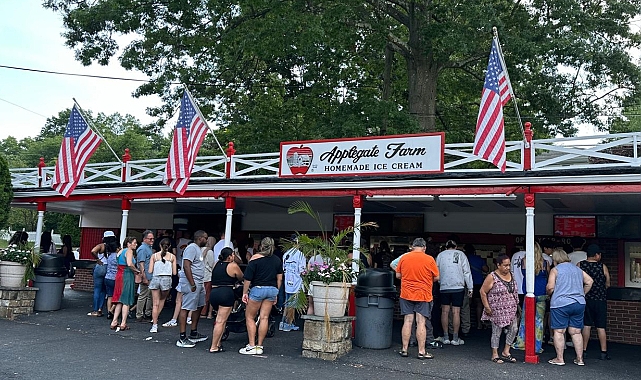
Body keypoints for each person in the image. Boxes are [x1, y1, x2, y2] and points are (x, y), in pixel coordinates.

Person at [546, 249, 593, 366]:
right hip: (579, 303)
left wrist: (551, 293)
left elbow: (550, 287)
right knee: (576, 332)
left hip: (561, 303)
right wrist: (582, 293)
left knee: (559, 331)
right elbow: (590, 281)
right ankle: (580, 359)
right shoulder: (577, 269)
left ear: (555, 259)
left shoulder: (555, 270)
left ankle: (560, 359)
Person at [395, 238, 440, 359]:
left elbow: (398, 275)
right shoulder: (429, 259)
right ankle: (421, 351)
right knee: (421, 322)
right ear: (424, 247)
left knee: (407, 321)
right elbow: (436, 277)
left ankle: (404, 349)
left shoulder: (404, 257)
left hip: (406, 294)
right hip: (423, 294)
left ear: (413, 246)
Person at [239, 237, 283, 355]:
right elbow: (279, 278)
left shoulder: (255, 258)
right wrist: (276, 292)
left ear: (261, 246)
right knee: (264, 318)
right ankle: (259, 346)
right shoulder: (277, 260)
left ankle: (252, 345)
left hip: (258, 289)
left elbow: (248, 278)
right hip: (272, 290)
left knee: (250, 317)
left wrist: (244, 292)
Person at [480, 255, 519, 364]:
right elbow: (483, 291)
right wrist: (487, 307)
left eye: (509, 265)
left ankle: (506, 351)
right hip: (497, 309)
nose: (507, 267)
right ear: (498, 265)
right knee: (497, 331)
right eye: (505, 265)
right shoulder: (492, 276)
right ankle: (495, 354)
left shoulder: (512, 275)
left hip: (511, 308)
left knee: (514, 329)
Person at [512, 242, 549, 354]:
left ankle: (522, 342)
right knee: (539, 321)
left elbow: (524, 274)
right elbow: (548, 276)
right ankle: (537, 346)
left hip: (529, 292)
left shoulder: (525, 261)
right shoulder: (545, 262)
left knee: (525, 319)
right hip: (541, 293)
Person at [436, 238, 473, 346]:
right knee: (456, 312)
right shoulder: (461, 254)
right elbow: (467, 272)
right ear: (456, 246)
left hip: (444, 287)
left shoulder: (440, 255)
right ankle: (455, 338)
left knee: (445, 312)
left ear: (446, 247)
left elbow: (436, 272)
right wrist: (470, 288)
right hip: (458, 287)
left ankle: (446, 337)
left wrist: (440, 282)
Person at [176, 230, 209, 348]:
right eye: (205, 237)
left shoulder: (197, 249)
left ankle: (193, 332)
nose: (207, 240)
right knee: (186, 307)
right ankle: (182, 336)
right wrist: (192, 283)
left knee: (200, 305)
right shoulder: (191, 248)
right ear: (200, 238)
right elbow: (186, 265)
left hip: (198, 281)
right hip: (192, 281)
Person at [208, 247, 244, 353]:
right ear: (229, 257)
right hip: (226, 293)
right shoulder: (232, 266)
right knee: (221, 321)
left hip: (214, 293)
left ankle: (218, 343)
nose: (234, 256)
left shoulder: (216, 264)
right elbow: (241, 277)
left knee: (219, 320)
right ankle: (214, 346)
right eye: (233, 254)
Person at [580, 244, 611, 360]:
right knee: (601, 327)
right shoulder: (602, 267)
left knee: (586, 325)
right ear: (597, 255)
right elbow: (608, 283)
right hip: (600, 300)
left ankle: (583, 350)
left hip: (586, 299)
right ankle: (604, 352)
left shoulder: (580, 265)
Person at [111, 237, 142, 331]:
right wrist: (137, 271)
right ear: (128, 243)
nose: (136, 245)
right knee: (126, 300)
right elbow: (129, 263)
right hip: (127, 275)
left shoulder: (120, 251)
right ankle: (123, 323)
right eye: (134, 243)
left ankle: (114, 321)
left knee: (119, 300)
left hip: (119, 275)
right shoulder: (129, 251)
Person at [148, 238, 177, 333]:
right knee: (162, 299)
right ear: (169, 247)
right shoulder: (172, 257)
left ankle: (154, 325)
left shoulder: (154, 256)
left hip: (156, 278)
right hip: (167, 279)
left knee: (155, 303)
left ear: (160, 245)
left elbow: (150, 271)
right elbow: (174, 272)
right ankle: (156, 317)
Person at [280, 235, 306, 331]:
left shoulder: (286, 254)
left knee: (287, 302)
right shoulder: (300, 255)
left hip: (287, 281)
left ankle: (283, 323)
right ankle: (288, 324)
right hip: (296, 281)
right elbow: (302, 271)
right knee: (292, 304)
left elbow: (283, 268)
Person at [88, 231, 116, 317]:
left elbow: (93, 251)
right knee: (104, 290)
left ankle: (96, 310)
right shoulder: (114, 247)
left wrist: (97, 259)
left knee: (97, 289)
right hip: (108, 268)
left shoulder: (101, 246)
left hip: (100, 266)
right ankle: (100, 309)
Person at [465, 244, 489, 331]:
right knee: (479, 304)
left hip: (466, 284)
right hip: (478, 283)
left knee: (467, 305)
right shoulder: (479, 259)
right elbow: (486, 269)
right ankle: (479, 324)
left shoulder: (464, 258)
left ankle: (466, 325)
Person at [136, 230, 154, 322]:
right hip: (146, 276)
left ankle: (148, 313)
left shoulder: (148, 248)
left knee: (150, 296)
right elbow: (141, 264)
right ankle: (139, 315)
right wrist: (144, 277)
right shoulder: (143, 249)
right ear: (144, 239)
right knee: (143, 295)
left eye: (152, 238)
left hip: (150, 276)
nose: (152, 240)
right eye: (150, 238)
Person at [201, 236, 216, 319]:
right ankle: (203, 312)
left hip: (200, 275)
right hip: (207, 276)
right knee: (206, 295)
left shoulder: (200, 249)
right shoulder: (209, 252)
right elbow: (211, 264)